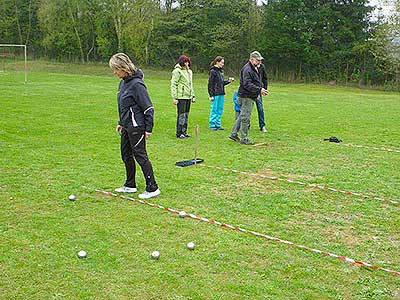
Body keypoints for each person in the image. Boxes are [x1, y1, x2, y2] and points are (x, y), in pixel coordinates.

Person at [109, 53, 160, 199]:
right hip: (126, 125)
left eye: (116, 69)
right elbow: (123, 105)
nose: (115, 73)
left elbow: (148, 108)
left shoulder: (137, 84)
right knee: (126, 155)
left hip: (137, 126)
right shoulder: (123, 82)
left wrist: (148, 129)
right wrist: (121, 122)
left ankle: (153, 187)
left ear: (123, 68)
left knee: (140, 155)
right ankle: (130, 184)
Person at [229, 51, 268, 145]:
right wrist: (259, 90)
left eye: (260, 60)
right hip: (246, 96)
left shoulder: (255, 68)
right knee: (245, 118)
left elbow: (259, 80)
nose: (259, 62)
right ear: (251, 59)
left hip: (250, 95)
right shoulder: (247, 69)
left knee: (242, 115)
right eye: (257, 60)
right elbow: (247, 84)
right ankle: (244, 138)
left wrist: (261, 90)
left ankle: (233, 134)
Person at [170, 55, 196, 138]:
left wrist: (193, 95)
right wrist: (174, 97)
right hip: (181, 96)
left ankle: (184, 131)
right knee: (181, 115)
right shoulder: (177, 71)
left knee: (186, 114)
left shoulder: (189, 72)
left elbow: (190, 84)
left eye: (188, 62)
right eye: (185, 62)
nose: (187, 63)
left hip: (188, 96)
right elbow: (174, 84)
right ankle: (179, 132)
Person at [208, 56, 233, 130]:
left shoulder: (221, 71)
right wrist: (211, 95)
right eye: (222, 63)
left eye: (223, 63)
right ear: (217, 62)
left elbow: (222, 83)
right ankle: (212, 124)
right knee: (214, 109)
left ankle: (218, 124)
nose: (223, 64)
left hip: (221, 92)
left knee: (220, 109)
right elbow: (210, 84)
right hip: (215, 93)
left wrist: (228, 81)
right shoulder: (213, 71)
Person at [255, 61, 268, 132]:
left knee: (260, 108)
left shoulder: (262, 67)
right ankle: (246, 125)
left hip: (259, 91)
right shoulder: (250, 67)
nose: (259, 61)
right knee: (248, 110)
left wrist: (265, 89)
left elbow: (265, 78)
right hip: (250, 91)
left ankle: (262, 126)